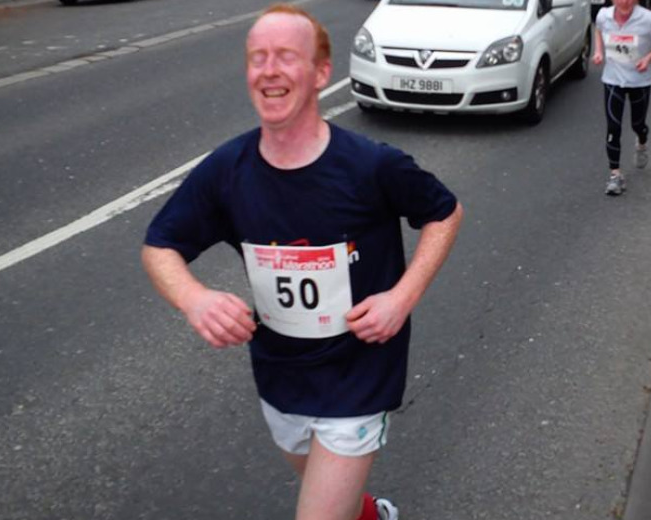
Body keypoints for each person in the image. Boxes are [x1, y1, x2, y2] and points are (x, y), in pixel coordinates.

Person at [141, 5, 463, 520]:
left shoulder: (371, 166)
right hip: (279, 375)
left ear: (319, 74)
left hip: (360, 376)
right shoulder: (228, 170)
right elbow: (160, 245)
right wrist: (193, 298)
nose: (268, 70)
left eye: (286, 57)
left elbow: (445, 212)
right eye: (257, 58)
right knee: (325, 488)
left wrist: (402, 297)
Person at [591, 0, 651, 196]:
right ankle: (615, 175)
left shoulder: (647, 18)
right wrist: (598, 51)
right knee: (613, 127)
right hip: (613, 79)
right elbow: (598, 30)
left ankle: (642, 141)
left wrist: (650, 57)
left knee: (638, 124)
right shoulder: (604, 16)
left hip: (639, 80)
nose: (624, 2)